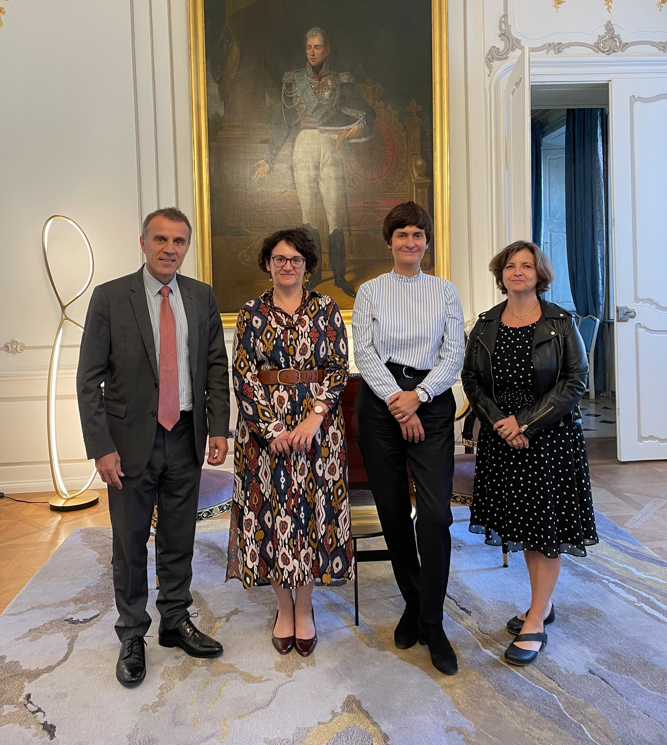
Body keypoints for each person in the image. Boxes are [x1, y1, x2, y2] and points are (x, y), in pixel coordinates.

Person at [76, 208, 230, 687]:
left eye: (179, 241)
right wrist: (101, 447)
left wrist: (219, 429)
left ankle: (174, 620)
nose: (170, 248)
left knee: (179, 537)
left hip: (184, 436)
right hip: (127, 445)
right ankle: (131, 634)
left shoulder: (202, 297)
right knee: (128, 542)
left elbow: (215, 370)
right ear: (142, 243)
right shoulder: (109, 298)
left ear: (187, 247)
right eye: (161, 239)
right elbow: (88, 381)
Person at [462, 240, 598, 667]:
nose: (517, 271)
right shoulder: (485, 324)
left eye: (526, 265)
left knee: (546, 528)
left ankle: (537, 617)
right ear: (500, 274)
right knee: (525, 524)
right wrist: (502, 422)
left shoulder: (560, 322)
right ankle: (542, 602)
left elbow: (575, 381)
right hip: (504, 440)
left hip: (550, 438)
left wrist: (525, 423)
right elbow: (472, 381)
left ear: (540, 274)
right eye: (510, 266)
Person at [227, 227, 353, 656]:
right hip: (264, 437)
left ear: (307, 266)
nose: (287, 266)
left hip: (318, 433)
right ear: (268, 264)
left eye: (295, 260)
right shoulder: (249, 313)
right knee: (272, 517)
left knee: (310, 517)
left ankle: (306, 607)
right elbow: (243, 375)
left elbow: (337, 368)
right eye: (280, 259)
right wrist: (272, 430)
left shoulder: (328, 309)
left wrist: (314, 420)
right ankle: (283, 608)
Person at [352, 201, 465, 676]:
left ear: (427, 241)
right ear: (389, 240)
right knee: (393, 512)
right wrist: (397, 401)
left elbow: (453, 352)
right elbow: (364, 350)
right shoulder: (369, 291)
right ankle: (413, 601)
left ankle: (433, 623)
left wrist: (417, 396)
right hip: (379, 407)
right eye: (401, 234)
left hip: (431, 403)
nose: (410, 242)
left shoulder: (444, 291)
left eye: (418, 234)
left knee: (436, 515)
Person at [252, 27, 376, 298]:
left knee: (333, 213)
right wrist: (268, 159)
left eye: (318, 47)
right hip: (303, 146)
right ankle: (315, 271)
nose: (312, 52)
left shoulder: (342, 80)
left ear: (327, 49)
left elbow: (367, 114)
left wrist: (359, 128)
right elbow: (281, 124)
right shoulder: (292, 81)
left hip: (331, 145)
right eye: (309, 47)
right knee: (308, 213)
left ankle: (341, 276)